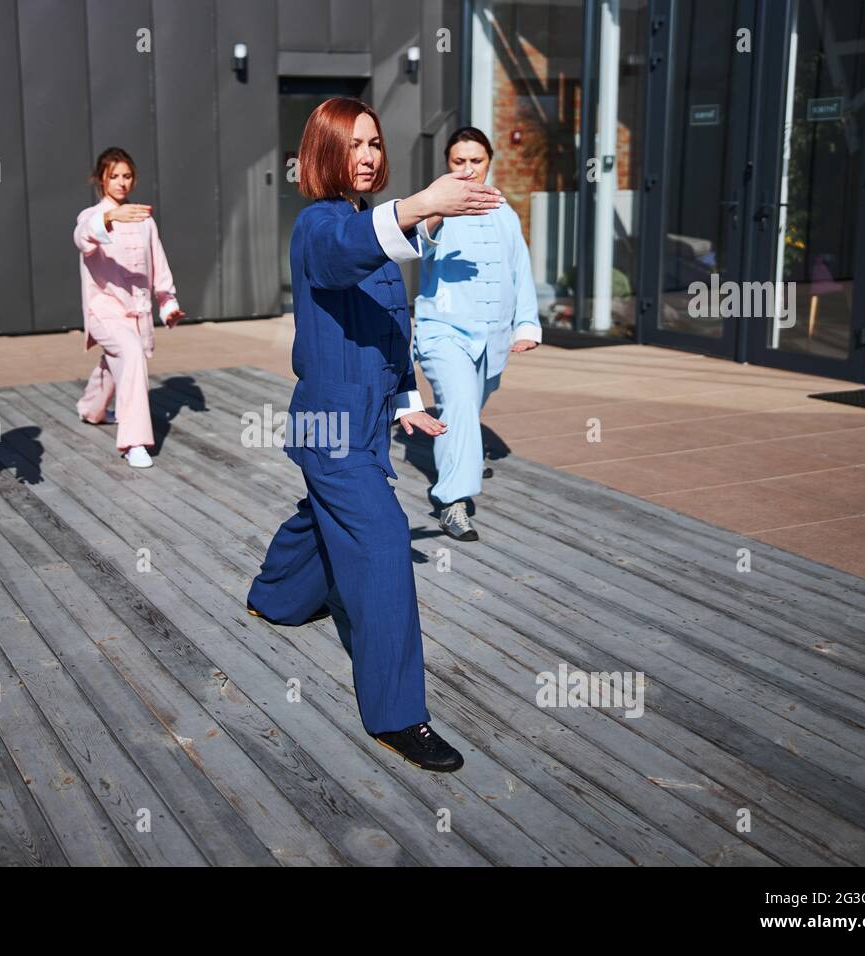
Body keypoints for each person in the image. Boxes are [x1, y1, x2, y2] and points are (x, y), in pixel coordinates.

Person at [246, 98, 503, 773]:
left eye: (374, 143)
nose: (366, 155)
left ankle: (274, 597)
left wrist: (407, 399)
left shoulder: (368, 229)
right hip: (332, 424)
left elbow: (387, 326)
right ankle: (398, 716)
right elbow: (340, 257)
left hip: (361, 422)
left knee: (325, 520)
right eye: (353, 144)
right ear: (326, 153)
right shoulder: (318, 227)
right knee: (382, 538)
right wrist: (420, 204)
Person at [414, 127, 541, 542]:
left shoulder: (505, 210)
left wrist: (525, 325)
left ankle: (463, 455)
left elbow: (519, 271)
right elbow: (420, 241)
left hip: (493, 335)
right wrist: (436, 208)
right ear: (448, 164)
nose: (468, 170)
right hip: (443, 330)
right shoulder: (437, 204)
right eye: (458, 162)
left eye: (476, 161)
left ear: (489, 161)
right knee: (461, 403)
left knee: (470, 404)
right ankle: (453, 502)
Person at [73, 147, 185, 467]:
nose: (122, 182)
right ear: (101, 180)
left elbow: (158, 266)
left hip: (136, 312)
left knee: (119, 357)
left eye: (127, 176)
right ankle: (134, 441)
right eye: (114, 176)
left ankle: (91, 409)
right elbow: (82, 238)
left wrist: (168, 304)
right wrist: (108, 217)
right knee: (131, 353)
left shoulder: (144, 219)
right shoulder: (91, 216)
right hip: (103, 311)